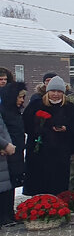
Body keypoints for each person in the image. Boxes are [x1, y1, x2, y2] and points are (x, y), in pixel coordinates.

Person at [22, 75, 74, 196]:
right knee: (39, 184)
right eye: (53, 91)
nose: (55, 94)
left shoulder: (69, 107)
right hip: (39, 151)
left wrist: (66, 129)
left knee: (58, 184)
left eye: (59, 91)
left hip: (60, 152)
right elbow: (26, 124)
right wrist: (40, 129)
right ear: (47, 91)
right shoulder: (36, 105)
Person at [0, 81, 25, 226]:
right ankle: (5, 215)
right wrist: (6, 145)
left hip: (15, 152)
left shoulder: (16, 111)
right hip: (6, 153)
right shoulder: (4, 111)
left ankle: (9, 214)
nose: (22, 100)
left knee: (12, 184)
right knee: (5, 184)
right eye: (20, 97)